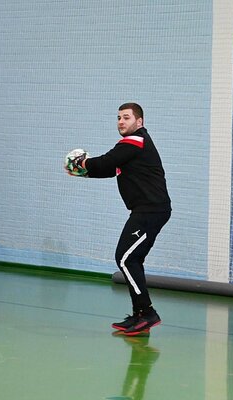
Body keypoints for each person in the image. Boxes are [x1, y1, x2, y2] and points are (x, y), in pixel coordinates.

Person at [66, 102, 171, 336]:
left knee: (126, 258)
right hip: (147, 210)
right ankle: (140, 315)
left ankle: (147, 313)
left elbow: (106, 161)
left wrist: (81, 162)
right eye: (119, 118)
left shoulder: (136, 141)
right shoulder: (132, 148)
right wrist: (83, 172)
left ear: (139, 122)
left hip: (151, 211)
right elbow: (109, 169)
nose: (121, 121)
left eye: (126, 117)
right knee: (130, 259)